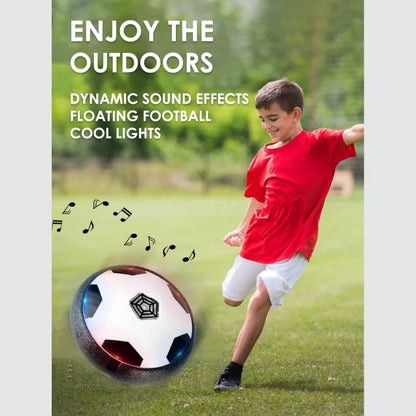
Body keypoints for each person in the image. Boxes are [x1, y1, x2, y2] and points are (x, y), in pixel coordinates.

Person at [214, 78, 364, 391]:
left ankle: (232, 372)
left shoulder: (319, 143)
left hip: (296, 245)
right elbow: (258, 196)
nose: (267, 126)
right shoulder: (263, 156)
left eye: (273, 119)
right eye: (262, 120)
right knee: (231, 298)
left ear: (295, 114)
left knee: (259, 301)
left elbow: (354, 133)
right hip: (260, 239)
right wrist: (241, 229)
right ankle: (248, 282)